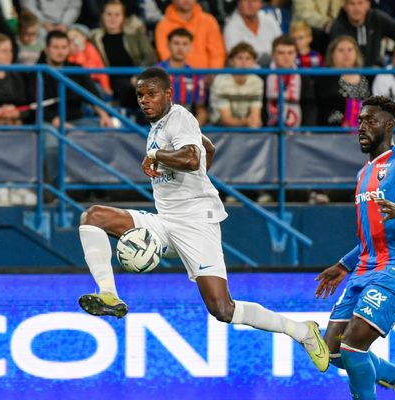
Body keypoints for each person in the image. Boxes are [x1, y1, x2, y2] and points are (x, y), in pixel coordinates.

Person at [76, 66, 330, 374]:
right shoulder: (159, 126)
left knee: (222, 308)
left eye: (152, 94)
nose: (145, 101)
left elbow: (193, 158)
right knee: (94, 216)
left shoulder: (179, 117)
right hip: (165, 221)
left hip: (196, 223)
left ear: (168, 94)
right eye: (140, 95)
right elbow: (206, 148)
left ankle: (302, 331)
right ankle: (109, 294)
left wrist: (157, 156)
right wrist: (176, 155)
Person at [315, 95, 395, 400]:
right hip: (366, 266)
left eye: (371, 120)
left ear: (389, 125)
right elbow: (369, 237)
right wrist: (343, 265)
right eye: (360, 121)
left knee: (354, 345)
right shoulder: (362, 174)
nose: (362, 126)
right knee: (331, 351)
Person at [89, 0, 157, 109]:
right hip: (109, 81)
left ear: (123, 18)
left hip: (135, 78)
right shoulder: (94, 38)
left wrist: (138, 76)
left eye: (117, 15)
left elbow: (150, 57)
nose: (113, 18)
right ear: (102, 16)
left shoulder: (135, 35)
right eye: (109, 14)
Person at [329, 0, 395, 66]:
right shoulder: (337, 27)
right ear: (345, 7)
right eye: (352, 3)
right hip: (349, 75)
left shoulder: (376, 18)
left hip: (376, 74)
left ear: (368, 4)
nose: (356, 8)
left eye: (360, 3)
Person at [155, 28, 208, 126]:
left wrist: (192, 129)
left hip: (186, 128)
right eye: (176, 43)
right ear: (168, 45)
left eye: (184, 44)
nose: (180, 48)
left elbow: (201, 110)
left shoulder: (195, 75)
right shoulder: (156, 73)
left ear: (191, 47)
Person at [315, 35, 370, 128]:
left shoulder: (367, 77)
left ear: (356, 53)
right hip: (334, 131)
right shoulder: (324, 79)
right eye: (341, 50)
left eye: (350, 50)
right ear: (332, 54)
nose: (346, 54)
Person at [154, 0, 226, 69]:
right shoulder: (163, 25)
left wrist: (213, 75)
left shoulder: (209, 21)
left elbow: (217, 54)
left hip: (207, 77)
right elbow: (165, 55)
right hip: (175, 76)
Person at [266, 35, 317, 127]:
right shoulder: (264, 75)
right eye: (281, 53)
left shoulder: (303, 77)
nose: (286, 57)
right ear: (273, 55)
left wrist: (307, 130)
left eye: (290, 53)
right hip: (268, 131)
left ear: (296, 54)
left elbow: (309, 106)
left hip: (297, 131)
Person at [209, 42, 263, 128]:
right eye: (239, 58)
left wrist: (254, 121)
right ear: (231, 61)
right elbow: (225, 119)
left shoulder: (257, 81)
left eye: (248, 58)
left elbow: (256, 115)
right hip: (219, 126)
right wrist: (249, 121)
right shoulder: (221, 81)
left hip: (246, 125)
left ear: (254, 62)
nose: (243, 62)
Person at [223, 0, 282, 67]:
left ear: (261, 3)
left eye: (254, 1)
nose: (250, 4)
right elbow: (235, 56)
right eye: (246, 0)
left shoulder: (269, 20)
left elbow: (281, 44)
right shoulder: (231, 26)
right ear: (239, 3)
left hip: (273, 67)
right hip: (245, 70)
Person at [67, 25, 112, 97]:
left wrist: (106, 87)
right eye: (70, 40)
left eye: (75, 37)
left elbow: (100, 68)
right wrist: (78, 52)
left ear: (84, 38)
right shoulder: (66, 53)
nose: (74, 42)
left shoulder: (90, 48)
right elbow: (79, 69)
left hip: (94, 82)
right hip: (76, 83)